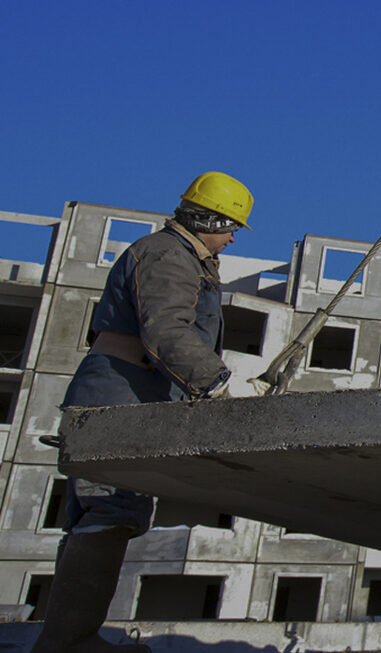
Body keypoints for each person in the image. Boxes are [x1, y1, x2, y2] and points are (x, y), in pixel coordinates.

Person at [31, 172, 252, 653]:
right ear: (210, 218)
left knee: (105, 513)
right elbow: (167, 334)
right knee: (109, 510)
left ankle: (67, 638)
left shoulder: (177, 256)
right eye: (231, 226)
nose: (233, 237)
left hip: (124, 399)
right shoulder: (168, 256)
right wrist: (218, 385)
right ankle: (68, 642)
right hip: (119, 400)